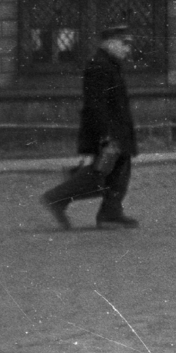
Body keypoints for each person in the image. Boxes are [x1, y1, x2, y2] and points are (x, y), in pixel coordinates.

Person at [41, 24, 140, 230]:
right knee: (100, 174)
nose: (127, 49)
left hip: (116, 132)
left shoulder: (109, 64)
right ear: (109, 42)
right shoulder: (99, 66)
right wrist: (106, 136)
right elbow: (96, 105)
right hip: (108, 134)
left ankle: (110, 213)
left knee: (118, 172)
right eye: (124, 43)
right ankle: (56, 198)